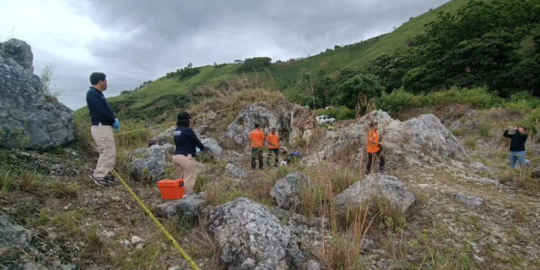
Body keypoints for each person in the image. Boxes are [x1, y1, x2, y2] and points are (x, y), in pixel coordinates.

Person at [86, 72, 120, 187]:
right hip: (100, 126)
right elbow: (101, 111)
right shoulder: (92, 93)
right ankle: (99, 175)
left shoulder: (98, 93)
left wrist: (113, 119)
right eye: (105, 81)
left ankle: (107, 174)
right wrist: (112, 121)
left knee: (111, 151)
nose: (106, 83)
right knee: (107, 151)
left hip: (104, 126)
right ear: (100, 81)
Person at [172, 112, 205, 195]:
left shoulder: (176, 131)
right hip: (186, 157)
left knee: (182, 179)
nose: (189, 122)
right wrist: (202, 148)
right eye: (188, 120)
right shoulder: (187, 130)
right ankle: (188, 197)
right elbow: (196, 142)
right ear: (185, 120)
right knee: (189, 179)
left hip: (176, 157)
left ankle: (179, 195)